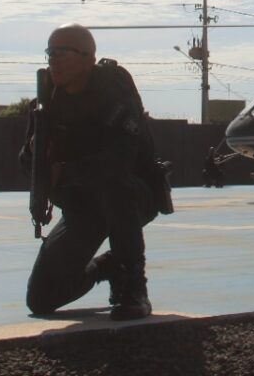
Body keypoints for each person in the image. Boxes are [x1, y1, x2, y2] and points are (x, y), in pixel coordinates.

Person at [21, 23, 155, 320]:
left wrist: (64, 172)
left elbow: (120, 161)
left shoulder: (114, 93)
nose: (53, 60)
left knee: (113, 186)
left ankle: (134, 287)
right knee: (41, 300)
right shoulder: (46, 104)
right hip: (81, 208)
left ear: (88, 58)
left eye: (62, 52)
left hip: (132, 197)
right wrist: (34, 152)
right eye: (50, 52)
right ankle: (108, 267)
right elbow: (26, 166)